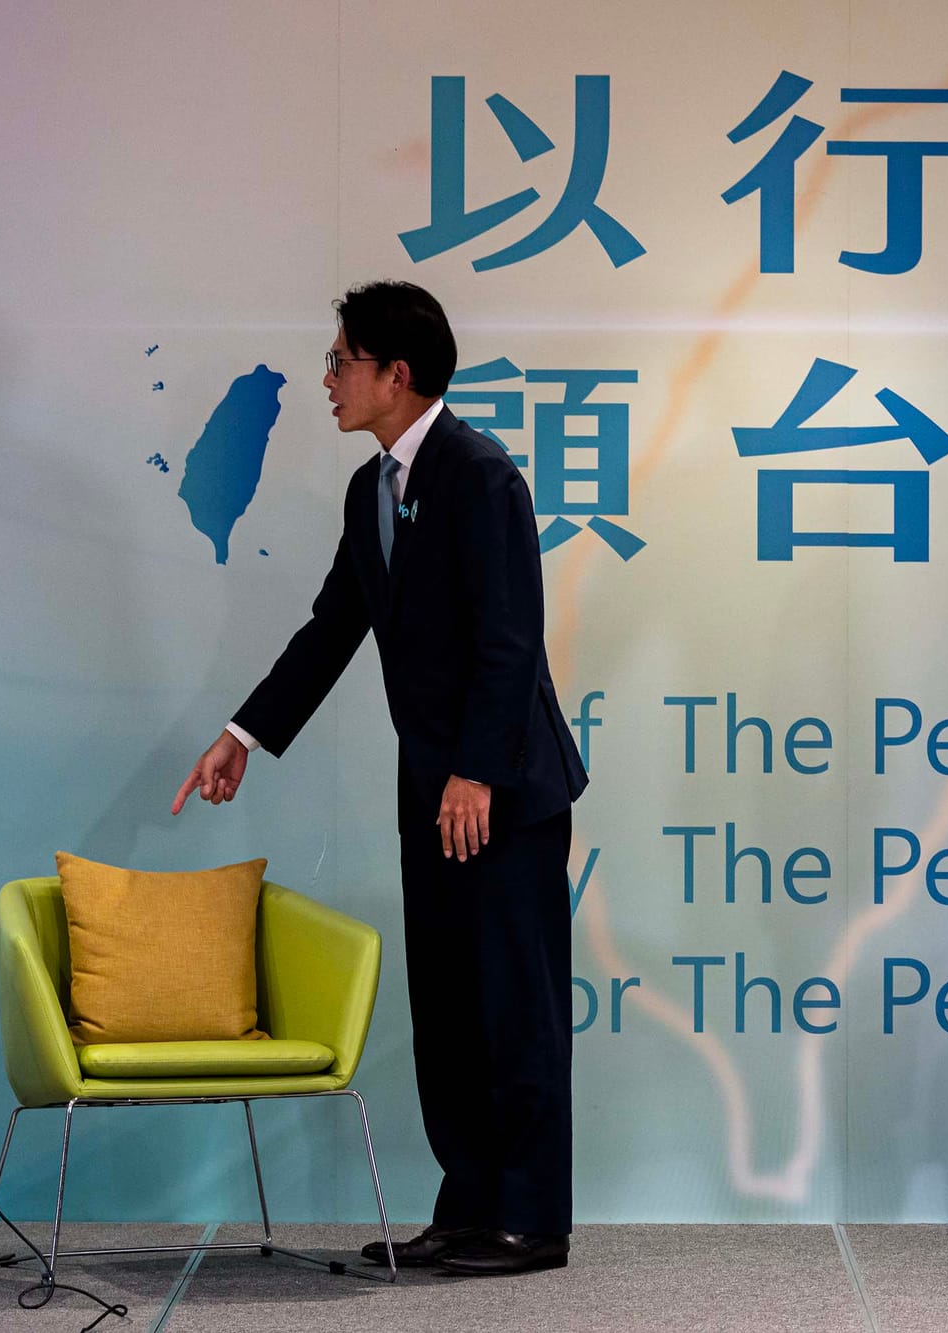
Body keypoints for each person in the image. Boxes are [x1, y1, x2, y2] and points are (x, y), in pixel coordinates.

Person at [170, 280, 587, 1278]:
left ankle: (530, 1221)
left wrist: (476, 772)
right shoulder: (373, 489)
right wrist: (243, 733)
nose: (328, 379)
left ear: (396, 374)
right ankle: (469, 1208)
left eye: (340, 361)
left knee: (513, 1008)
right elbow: (332, 628)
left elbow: (510, 639)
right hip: (432, 794)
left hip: (503, 793)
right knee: (446, 1012)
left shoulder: (480, 474)